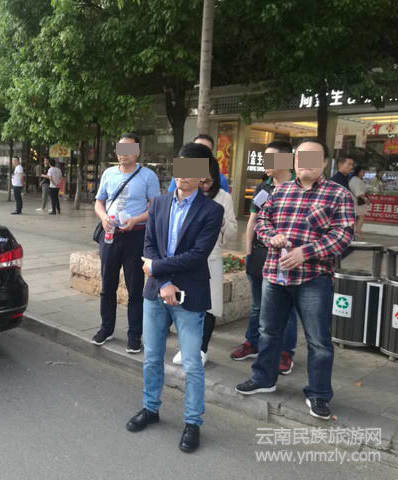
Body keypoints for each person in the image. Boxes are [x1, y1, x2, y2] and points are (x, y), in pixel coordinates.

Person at [235, 138, 355, 421]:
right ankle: (264, 378)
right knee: (268, 332)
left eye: (313, 157)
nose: (306, 163)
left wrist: (305, 252)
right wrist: (271, 237)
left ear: (325, 162)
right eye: (301, 157)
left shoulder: (338, 194)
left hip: (314, 278)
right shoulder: (280, 191)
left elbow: (343, 235)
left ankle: (318, 394)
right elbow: (262, 221)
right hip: (275, 275)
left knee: (318, 340)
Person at [125, 142, 223, 453]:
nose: (184, 174)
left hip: (190, 294)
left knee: (192, 364)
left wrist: (156, 269)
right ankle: (151, 408)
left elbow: (197, 255)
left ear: (203, 174)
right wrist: (163, 281)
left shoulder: (212, 210)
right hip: (156, 292)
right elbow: (149, 245)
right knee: (152, 356)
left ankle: (193, 422)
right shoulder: (159, 203)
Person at [230, 140, 298, 376]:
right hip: (260, 253)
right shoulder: (263, 188)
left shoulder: (298, 186)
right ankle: (253, 342)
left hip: (286, 255)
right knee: (258, 304)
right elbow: (253, 220)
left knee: (287, 308)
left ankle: (285, 352)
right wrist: (248, 250)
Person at [93, 132, 161, 354]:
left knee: (135, 288)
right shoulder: (108, 173)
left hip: (136, 236)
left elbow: (155, 208)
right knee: (107, 285)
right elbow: (99, 203)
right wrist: (104, 218)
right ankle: (106, 328)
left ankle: (134, 335)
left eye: (129, 150)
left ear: (137, 152)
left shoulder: (148, 176)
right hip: (110, 236)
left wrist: (135, 220)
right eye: (120, 150)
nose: (124, 154)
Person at [172, 150, 237, 367]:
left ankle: (202, 349)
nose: (205, 184)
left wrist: (220, 220)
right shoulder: (187, 195)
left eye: (209, 180)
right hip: (185, 257)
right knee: (185, 304)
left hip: (210, 259)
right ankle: (185, 347)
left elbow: (232, 231)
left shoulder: (224, 197)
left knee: (209, 305)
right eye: (202, 180)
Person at [349, 166, 369, 240]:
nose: (364, 172)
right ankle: (357, 232)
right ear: (358, 172)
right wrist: (366, 199)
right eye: (362, 171)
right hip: (357, 202)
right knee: (361, 216)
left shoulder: (357, 180)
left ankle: (355, 231)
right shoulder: (356, 180)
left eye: (364, 171)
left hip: (356, 201)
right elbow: (359, 193)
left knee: (357, 217)